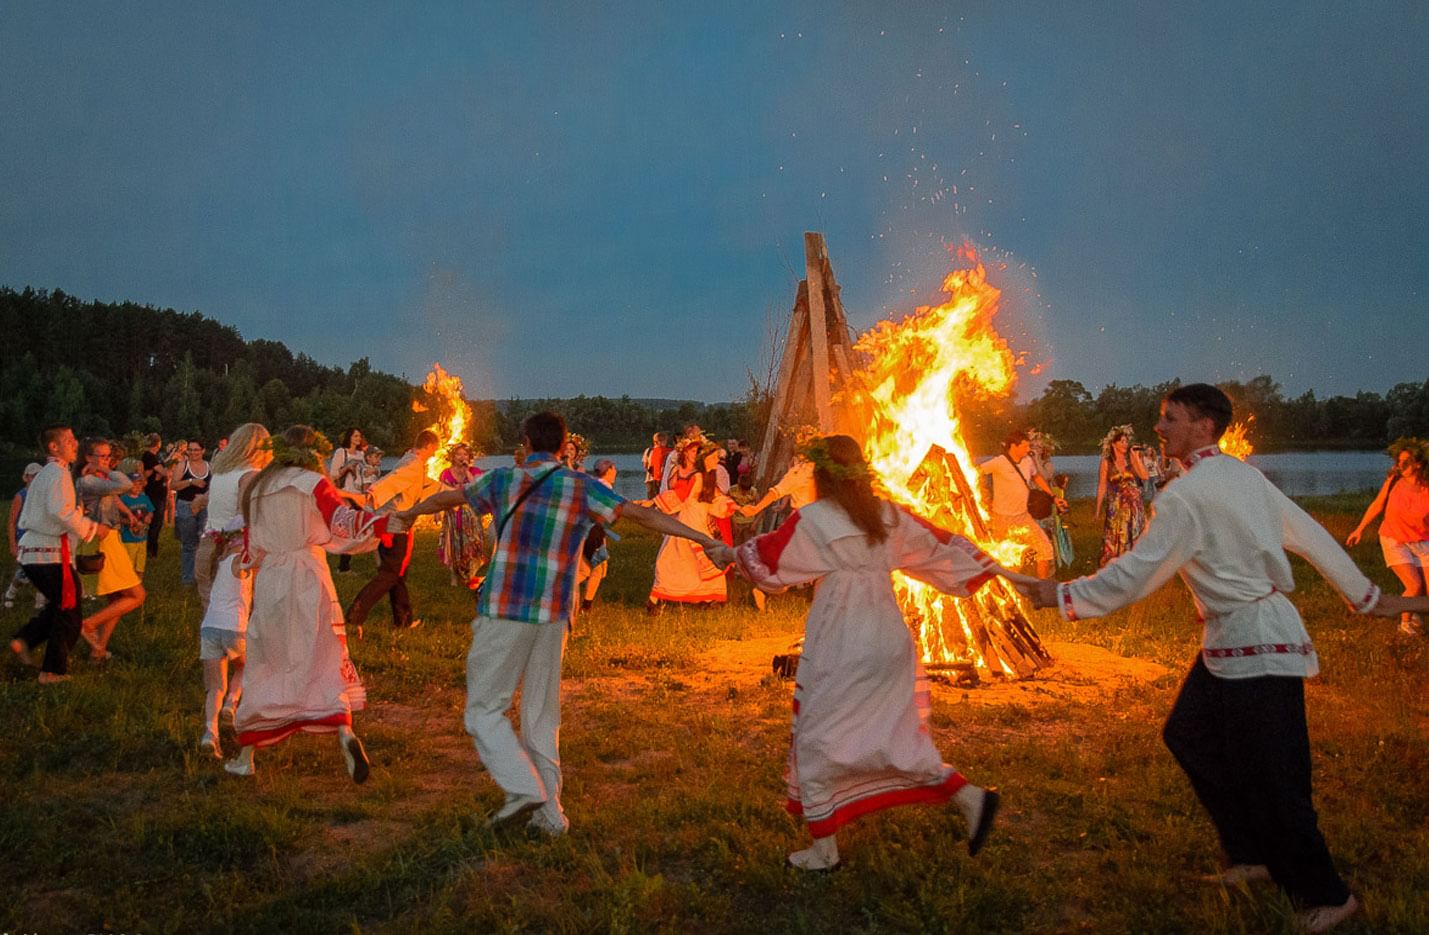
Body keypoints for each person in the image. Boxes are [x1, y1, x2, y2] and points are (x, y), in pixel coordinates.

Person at [1023, 384, 1429, 934]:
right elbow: (1309, 533)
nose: (1159, 428)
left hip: (1260, 645)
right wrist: (1365, 597)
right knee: (1188, 735)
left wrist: (1059, 594)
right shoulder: (1240, 475)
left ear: (1204, 427)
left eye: (1170, 419)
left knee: (1277, 777)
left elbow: (1137, 574)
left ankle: (1329, 895)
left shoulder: (1186, 498)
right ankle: (1252, 855)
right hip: (1231, 645)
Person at [395, 410, 727, 837]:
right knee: (541, 714)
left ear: (526, 443)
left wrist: (408, 515)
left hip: (504, 608)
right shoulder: (581, 487)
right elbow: (644, 516)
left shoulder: (503, 480)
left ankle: (524, 789)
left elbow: (446, 500)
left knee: (484, 709)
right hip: (553, 611)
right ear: (561, 445)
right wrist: (704, 538)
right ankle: (551, 815)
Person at [712, 435, 1030, 871]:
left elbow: (771, 564)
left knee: (816, 738)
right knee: (897, 736)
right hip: (887, 636)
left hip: (842, 638)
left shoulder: (815, 519)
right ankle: (969, 798)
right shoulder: (886, 515)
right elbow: (942, 547)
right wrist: (1006, 573)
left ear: (823, 474)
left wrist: (728, 555)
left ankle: (824, 852)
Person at [223, 425, 391, 781]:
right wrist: (384, 522)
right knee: (323, 652)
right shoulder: (314, 483)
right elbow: (343, 523)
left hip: (272, 577)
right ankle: (344, 730)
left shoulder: (255, 488)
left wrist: (244, 565)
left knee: (268, 657)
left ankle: (246, 756)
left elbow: (251, 547)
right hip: (311, 574)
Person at [10, 426, 112, 683]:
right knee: (69, 611)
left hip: (40, 553)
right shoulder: (56, 473)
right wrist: (92, 528)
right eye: (68, 440)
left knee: (61, 606)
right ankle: (52, 670)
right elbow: (60, 512)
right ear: (54, 447)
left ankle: (25, 639)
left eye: (74, 438)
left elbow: (59, 510)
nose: (75, 443)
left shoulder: (50, 473)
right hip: (48, 555)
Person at [196, 424, 272, 758]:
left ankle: (209, 730)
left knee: (212, 606)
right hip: (236, 551)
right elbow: (250, 515)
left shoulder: (221, 472)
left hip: (209, 547)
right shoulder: (250, 474)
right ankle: (237, 705)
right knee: (251, 640)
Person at [345, 430, 441, 635]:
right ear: (428, 445)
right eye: (434, 450)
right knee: (389, 574)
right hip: (394, 526)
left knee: (398, 575)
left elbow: (429, 486)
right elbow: (392, 480)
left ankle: (404, 620)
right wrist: (370, 495)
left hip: (392, 524)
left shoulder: (410, 460)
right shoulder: (412, 464)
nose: (434, 455)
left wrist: (460, 495)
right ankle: (355, 614)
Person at [1346, 437, 1429, 636]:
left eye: (1406, 462)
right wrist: (1360, 529)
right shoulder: (1394, 481)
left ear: (1418, 464)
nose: (1400, 466)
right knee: (1414, 585)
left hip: (1421, 540)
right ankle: (1405, 624)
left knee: (1425, 590)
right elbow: (1378, 504)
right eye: (1398, 462)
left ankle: (1413, 611)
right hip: (1393, 538)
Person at [75, 438, 146, 661]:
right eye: (101, 456)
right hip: (104, 541)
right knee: (137, 595)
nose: (106, 460)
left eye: (108, 456)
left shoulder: (99, 479)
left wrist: (129, 514)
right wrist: (107, 470)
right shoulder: (88, 480)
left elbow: (114, 498)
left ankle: (99, 650)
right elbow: (125, 485)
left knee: (117, 599)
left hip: (111, 537)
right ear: (88, 457)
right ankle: (89, 624)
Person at [646, 440, 735, 610]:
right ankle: (655, 598)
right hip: (687, 522)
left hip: (699, 521)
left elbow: (716, 498)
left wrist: (736, 507)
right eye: (714, 457)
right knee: (670, 559)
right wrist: (652, 502)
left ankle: (709, 598)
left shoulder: (708, 477)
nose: (717, 459)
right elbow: (681, 494)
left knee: (705, 560)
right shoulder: (697, 477)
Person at [976, 430, 1064, 578]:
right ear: (1013, 446)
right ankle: (1008, 594)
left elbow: (1036, 477)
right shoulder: (999, 462)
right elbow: (976, 473)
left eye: (1028, 446)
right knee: (1007, 560)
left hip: (1023, 517)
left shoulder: (1028, 461)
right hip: (1002, 519)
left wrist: (1053, 496)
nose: (1028, 449)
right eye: (1024, 446)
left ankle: (1041, 590)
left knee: (1046, 549)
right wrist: (981, 496)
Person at [1094, 425, 1149, 567]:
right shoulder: (1107, 462)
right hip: (1117, 507)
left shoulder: (1130, 460)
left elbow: (1144, 476)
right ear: (1114, 444)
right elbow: (1101, 486)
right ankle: (1114, 568)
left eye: (1126, 441)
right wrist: (1097, 510)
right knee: (1116, 536)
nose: (1125, 444)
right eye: (1122, 441)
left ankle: (1134, 567)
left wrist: (1136, 457)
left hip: (1134, 506)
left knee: (1135, 537)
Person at [437, 443, 489, 590]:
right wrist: (437, 511)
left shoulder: (475, 471)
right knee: (453, 543)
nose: (462, 457)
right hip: (453, 514)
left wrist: (467, 472)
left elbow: (477, 487)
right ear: (453, 457)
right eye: (459, 454)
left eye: (465, 454)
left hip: (470, 513)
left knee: (472, 544)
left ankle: (470, 574)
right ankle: (454, 574)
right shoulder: (446, 473)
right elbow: (440, 493)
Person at [576, 459, 618, 613]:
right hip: (594, 534)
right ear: (610, 470)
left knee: (589, 569)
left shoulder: (593, 485)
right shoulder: (605, 488)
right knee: (593, 570)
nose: (615, 473)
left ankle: (585, 604)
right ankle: (585, 605)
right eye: (614, 469)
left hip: (587, 532)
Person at [169, 440, 210, 586]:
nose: (193, 453)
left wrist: (202, 500)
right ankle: (188, 578)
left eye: (196, 450)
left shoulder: (209, 466)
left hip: (204, 507)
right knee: (189, 544)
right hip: (185, 505)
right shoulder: (183, 466)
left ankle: (203, 575)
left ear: (203, 451)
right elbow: (173, 485)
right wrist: (191, 481)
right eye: (190, 450)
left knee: (204, 541)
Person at [4, 462, 43, 609]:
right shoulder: (21, 496)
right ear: (26, 477)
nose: (35, 479)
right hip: (24, 538)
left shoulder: (43, 495)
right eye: (32, 476)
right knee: (25, 570)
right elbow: (12, 522)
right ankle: (11, 592)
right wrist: (13, 543)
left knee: (41, 568)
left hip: (39, 536)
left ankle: (40, 601)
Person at [329, 428, 368, 574]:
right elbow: (333, 474)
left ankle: (345, 563)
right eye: (356, 436)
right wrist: (346, 468)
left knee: (357, 530)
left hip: (359, 495)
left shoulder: (361, 454)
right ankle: (343, 566)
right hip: (346, 494)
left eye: (360, 435)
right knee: (348, 530)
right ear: (349, 437)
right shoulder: (341, 453)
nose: (359, 438)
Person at [118, 470, 154, 578]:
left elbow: (150, 511)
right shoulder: (123, 499)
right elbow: (118, 518)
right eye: (134, 484)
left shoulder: (144, 498)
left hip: (142, 537)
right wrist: (130, 522)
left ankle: (139, 581)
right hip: (129, 538)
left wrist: (148, 516)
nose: (137, 487)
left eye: (140, 484)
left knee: (141, 563)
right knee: (129, 563)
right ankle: (129, 582)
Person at [140, 434, 169, 559]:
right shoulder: (149, 456)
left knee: (157, 522)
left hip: (159, 492)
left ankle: (151, 548)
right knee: (155, 522)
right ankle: (150, 549)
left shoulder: (154, 457)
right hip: (153, 493)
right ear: (158, 443)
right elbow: (163, 472)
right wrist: (163, 472)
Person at [641, 432, 671, 499]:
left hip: (650, 479)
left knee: (651, 498)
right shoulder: (669, 451)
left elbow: (645, 464)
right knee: (662, 498)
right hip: (663, 479)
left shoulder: (648, 450)